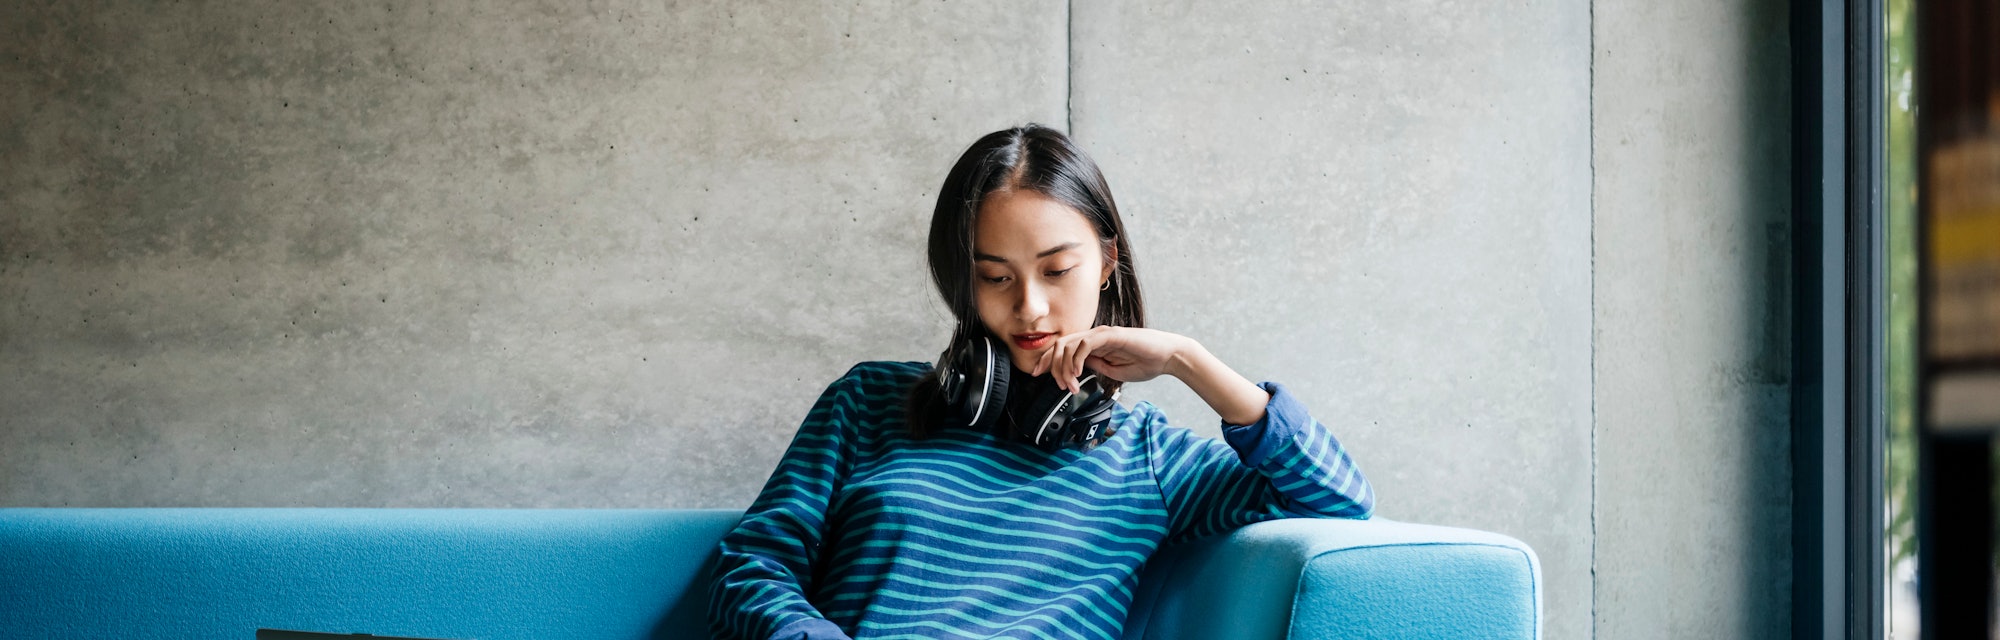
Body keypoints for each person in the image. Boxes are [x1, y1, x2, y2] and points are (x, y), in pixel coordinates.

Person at [707, 124, 1375, 640]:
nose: (1028, 307)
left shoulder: (1150, 458)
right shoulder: (867, 402)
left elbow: (1338, 496)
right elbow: (752, 567)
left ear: (1108, 262)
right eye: (995, 277)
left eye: (1057, 271)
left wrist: (1185, 359)